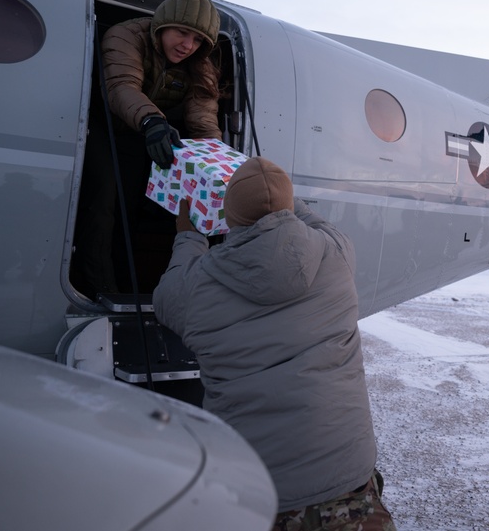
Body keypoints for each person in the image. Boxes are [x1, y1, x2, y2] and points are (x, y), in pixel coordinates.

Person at [153, 157, 395, 531]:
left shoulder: (194, 288)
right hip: (349, 489)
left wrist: (188, 235)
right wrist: (279, 199)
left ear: (229, 215)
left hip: (260, 496)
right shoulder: (337, 254)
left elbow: (165, 299)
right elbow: (311, 221)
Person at [74, 0, 222, 299]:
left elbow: (203, 119)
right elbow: (120, 86)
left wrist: (214, 162)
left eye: (197, 40)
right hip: (105, 126)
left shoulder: (200, 66)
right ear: (162, 24)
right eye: (182, 32)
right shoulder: (125, 36)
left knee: (126, 211)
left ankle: (126, 284)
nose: (187, 45)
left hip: (140, 135)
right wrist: (153, 121)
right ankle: (97, 286)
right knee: (100, 203)